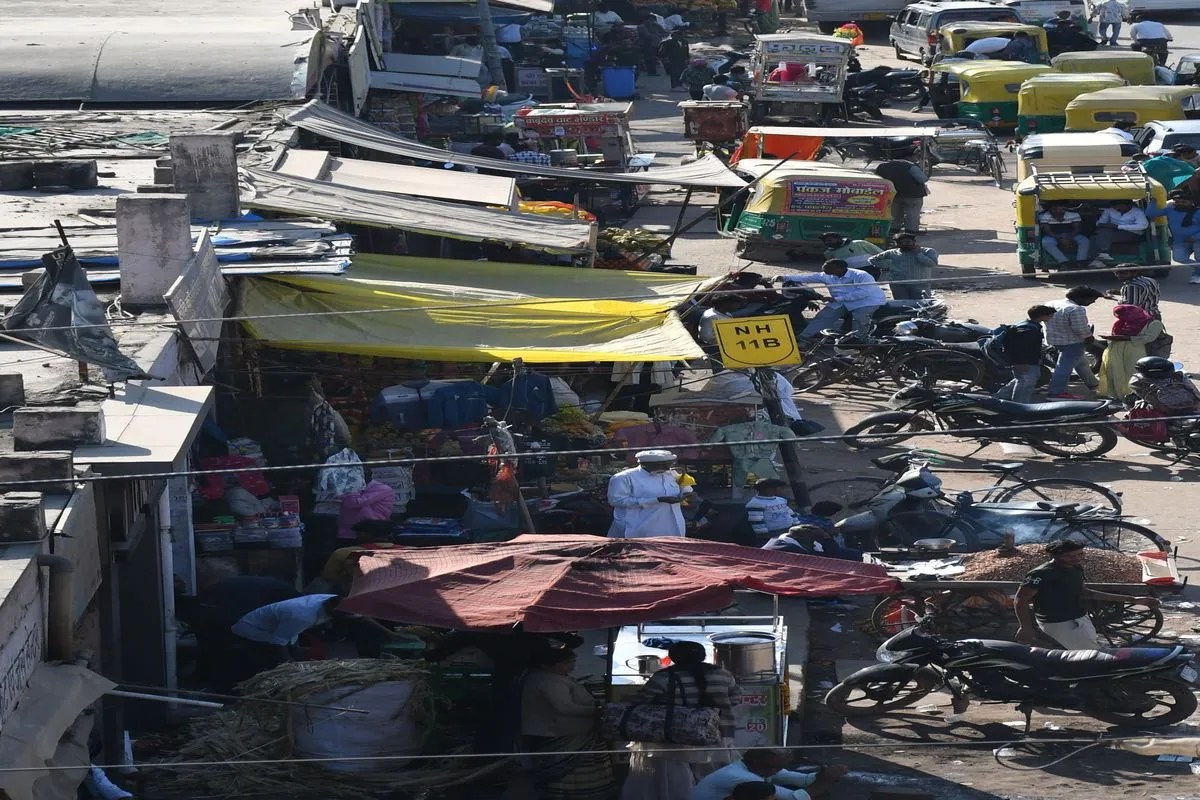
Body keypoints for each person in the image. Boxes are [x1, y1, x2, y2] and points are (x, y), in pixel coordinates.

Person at [620, 641, 740, 800]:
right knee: (714, 781)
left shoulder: (663, 677)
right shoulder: (723, 674)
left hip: (677, 740)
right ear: (703, 656)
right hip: (718, 735)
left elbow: (641, 701)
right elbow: (736, 698)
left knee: (678, 784)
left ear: (673, 657)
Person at [1015, 540, 1159, 649]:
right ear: (1054, 555)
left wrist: (1133, 600)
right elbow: (1020, 600)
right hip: (1058, 622)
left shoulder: (1075, 568)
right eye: (1070, 556)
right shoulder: (1040, 574)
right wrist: (1025, 627)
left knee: (1084, 653)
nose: (1077, 558)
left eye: (1080, 554)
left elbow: (1086, 593)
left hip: (1080, 618)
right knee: (1090, 656)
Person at [518, 648, 613, 800]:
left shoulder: (548, 677)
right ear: (546, 665)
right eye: (566, 663)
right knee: (565, 775)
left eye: (572, 662)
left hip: (569, 734)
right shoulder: (548, 681)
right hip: (561, 736)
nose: (571, 666)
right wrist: (598, 709)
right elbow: (565, 708)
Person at [779, 260, 888, 340]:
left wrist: (836, 298)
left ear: (839, 268)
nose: (823, 269)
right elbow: (806, 278)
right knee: (824, 316)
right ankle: (803, 337)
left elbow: (863, 293)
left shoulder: (861, 275)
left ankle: (861, 340)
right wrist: (783, 277)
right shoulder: (826, 275)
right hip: (840, 301)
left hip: (866, 302)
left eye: (827, 267)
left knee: (859, 319)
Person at [692, 749, 848, 800]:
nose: (777, 771)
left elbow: (805, 780)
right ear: (756, 761)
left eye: (780, 767)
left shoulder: (764, 767)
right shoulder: (741, 777)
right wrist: (826, 779)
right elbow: (795, 798)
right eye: (774, 767)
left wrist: (824, 773)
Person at [607, 450, 687, 538]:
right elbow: (616, 501)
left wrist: (687, 494)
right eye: (664, 464)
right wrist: (656, 500)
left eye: (670, 463)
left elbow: (684, 488)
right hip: (639, 527)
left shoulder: (671, 474)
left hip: (672, 525)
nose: (669, 467)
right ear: (647, 464)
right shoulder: (624, 477)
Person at [1045, 286, 1103, 398]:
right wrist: (1089, 338)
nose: (1093, 302)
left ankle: (1093, 384)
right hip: (1071, 342)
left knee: (1081, 362)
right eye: (1091, 299)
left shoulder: (1051, 303)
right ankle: (1057, 392)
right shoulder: (1076, 309)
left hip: (1054, 339)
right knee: (1064, 367)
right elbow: (1080, 329)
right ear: (1081, 298)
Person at [1096, 304, 1163, 398]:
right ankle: (1117, 394)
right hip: (1116, 349)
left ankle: (1134, 394)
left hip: (1135, 350)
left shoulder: (1153, 323)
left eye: (1123, 315)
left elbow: (1149, 338)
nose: (1121, 318)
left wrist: (1126, 338)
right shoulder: (1122, 322)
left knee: (1132, 372)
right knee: (1114, 371)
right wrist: (1112, 338)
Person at [1105, 264, 1171, 357]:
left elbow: (1130, 307)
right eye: (1117, 273)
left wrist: (1115, 299)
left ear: (1135, 272)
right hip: (1155, 315)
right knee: (1154, 344)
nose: (1119, 276)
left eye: (1123, 273)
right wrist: (1120, 293)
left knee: (1139, 346)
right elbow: (1144, 294)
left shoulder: (1130, 286)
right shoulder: (1150, 280)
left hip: (1141, 320)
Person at [994, 305, 1057, 403]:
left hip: (1029, 361)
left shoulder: (1027, 325)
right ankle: (1020, 405)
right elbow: (1020, 349)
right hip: (1024, 362)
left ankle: (1000, 397)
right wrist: (1019, 363)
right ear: (1042, 316)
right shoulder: (1028, 330)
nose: (1051, 317)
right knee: (1026, 383)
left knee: (1022, 379)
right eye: (1050, 315)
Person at [316, 519, 395, 593]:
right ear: (390, 534)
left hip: (356, 597)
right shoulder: (407, 551)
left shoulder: (343, 553)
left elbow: (329, 578)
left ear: (361, 534)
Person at [868, 231, 938, 300]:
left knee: (922, 305)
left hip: (919, 285)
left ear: (914, 241)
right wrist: (887, 266)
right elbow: (872, 259)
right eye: (900, 243)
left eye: (908, 242)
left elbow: (932, 264)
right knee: (902, 305)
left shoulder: (928, 251)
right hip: (898, 285)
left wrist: (918, 254)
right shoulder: (892, 253)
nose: (904, 244)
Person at [1147, 191, 1200, 282]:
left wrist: (1195, 237)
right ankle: (1198, 270)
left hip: (1197, 240)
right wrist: (1153, 201)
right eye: (1177, 202)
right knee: (1178, 258)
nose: (1180, 204)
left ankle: (1197, 275)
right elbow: (1150, 213)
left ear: (1191, 202)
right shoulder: (1170, 210)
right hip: (1180, 241)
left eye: (1183, 202)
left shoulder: (1198, 212)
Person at [336, 470, 396, 540]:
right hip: (348, 533)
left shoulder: (382, 489)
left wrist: (352, 488)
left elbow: (354, 503)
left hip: (373, 534)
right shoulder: (347, 488)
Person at [874, 158, 929, 233]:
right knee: (912, 214)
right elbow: (923, 179)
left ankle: (893, 230)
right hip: (913, 195)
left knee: (894, 214)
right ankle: (910, 232)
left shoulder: (882, 167)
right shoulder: (911, 166)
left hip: (893, 195)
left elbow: (876, 180)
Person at [1088, 199, 1149, 266]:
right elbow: (1101, 222)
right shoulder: (1109, 210)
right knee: (1095, 236)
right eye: (1116, 207)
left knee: (1102, 235)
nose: (1118, 209)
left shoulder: (1137, 212)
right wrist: (1101, 224)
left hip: (1132, 233)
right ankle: (1096, 259)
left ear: (1129, 205)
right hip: (1113, 232)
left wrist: (1118, 226)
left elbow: (1143, 225)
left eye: (1120, 206)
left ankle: (1103, 253)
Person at [764, 523, 863, 561]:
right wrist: (827, 538)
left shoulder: (779, 538)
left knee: (854, 554)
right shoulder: (790, 549)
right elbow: (832, 556)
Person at [1038, 202, 1090, 267]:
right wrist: (1060, 239)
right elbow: (1047, 231)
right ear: (1051, 209)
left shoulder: (1073, 215)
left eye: (1062, 209)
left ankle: (1080, 262)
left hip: (1071, 234)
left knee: (1084, 241)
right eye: (1056, 209)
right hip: (1053, 235)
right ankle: (1064, 262)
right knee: (1046, 242)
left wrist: (1069, 238)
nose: (1059, 211)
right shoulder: (1044, 216)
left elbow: (1077, 228)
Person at [817, 231, 882, 271]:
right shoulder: (828, 253)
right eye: (825, 241)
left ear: (839, 239)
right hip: (850, 274)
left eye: (829, 240)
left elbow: (881, 253)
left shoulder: (859, 243)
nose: (827, 243)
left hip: (871, 269)